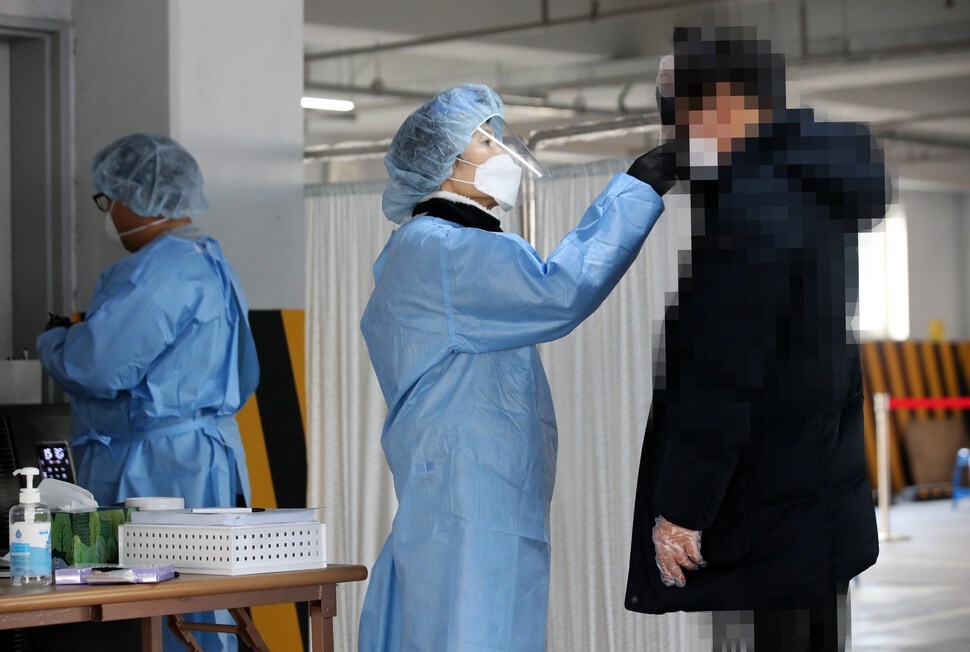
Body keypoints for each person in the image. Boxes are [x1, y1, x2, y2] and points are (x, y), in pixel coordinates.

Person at [357, 83, 672, 650]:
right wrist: (641, 185)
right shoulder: (442, 249)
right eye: (483, 142)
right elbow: (559, 292)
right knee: (475, 631)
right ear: (442, 163)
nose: (500, 154)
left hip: (474, 493)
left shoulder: (432, 248)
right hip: (472, 499)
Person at [624, 28, 889, 652]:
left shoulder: (755, 207)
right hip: (813, 502)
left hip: (767, 520)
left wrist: (683, 509)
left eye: (680, 109)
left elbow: (724, 375)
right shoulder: (808, 187)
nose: (675, 128)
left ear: (720, 102)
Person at [36, 133, 259, 652]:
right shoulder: (209, 260)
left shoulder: (158, 272)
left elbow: (94, 365)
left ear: (138, 197)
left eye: (109, 199)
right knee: (202, 607)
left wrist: (53, 342)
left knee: (148, 608)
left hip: (153, 469)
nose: (109, 212)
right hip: (203, 461)